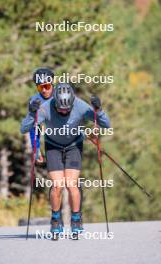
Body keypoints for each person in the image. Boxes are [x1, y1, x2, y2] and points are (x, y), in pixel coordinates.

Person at [21, 83, 110, 236]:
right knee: (57, 186)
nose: (64, 111)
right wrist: (31, 113)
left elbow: (106, 125)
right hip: (53, 146)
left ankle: (76, 218)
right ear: (54, 102)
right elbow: (24, 128)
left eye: (67, 108)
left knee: (71, 184)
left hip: (74, 146)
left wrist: (98, 111)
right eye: (61, 109)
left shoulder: (80, 106)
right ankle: (56, 218)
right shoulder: (45, 107)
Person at [29, 67, 54, 164]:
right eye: (40, 87)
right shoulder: (35, 101)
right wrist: (36, 148)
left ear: (52, 84)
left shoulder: (62, 95)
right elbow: (34, 127)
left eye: (46, 86)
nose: (43, 90)